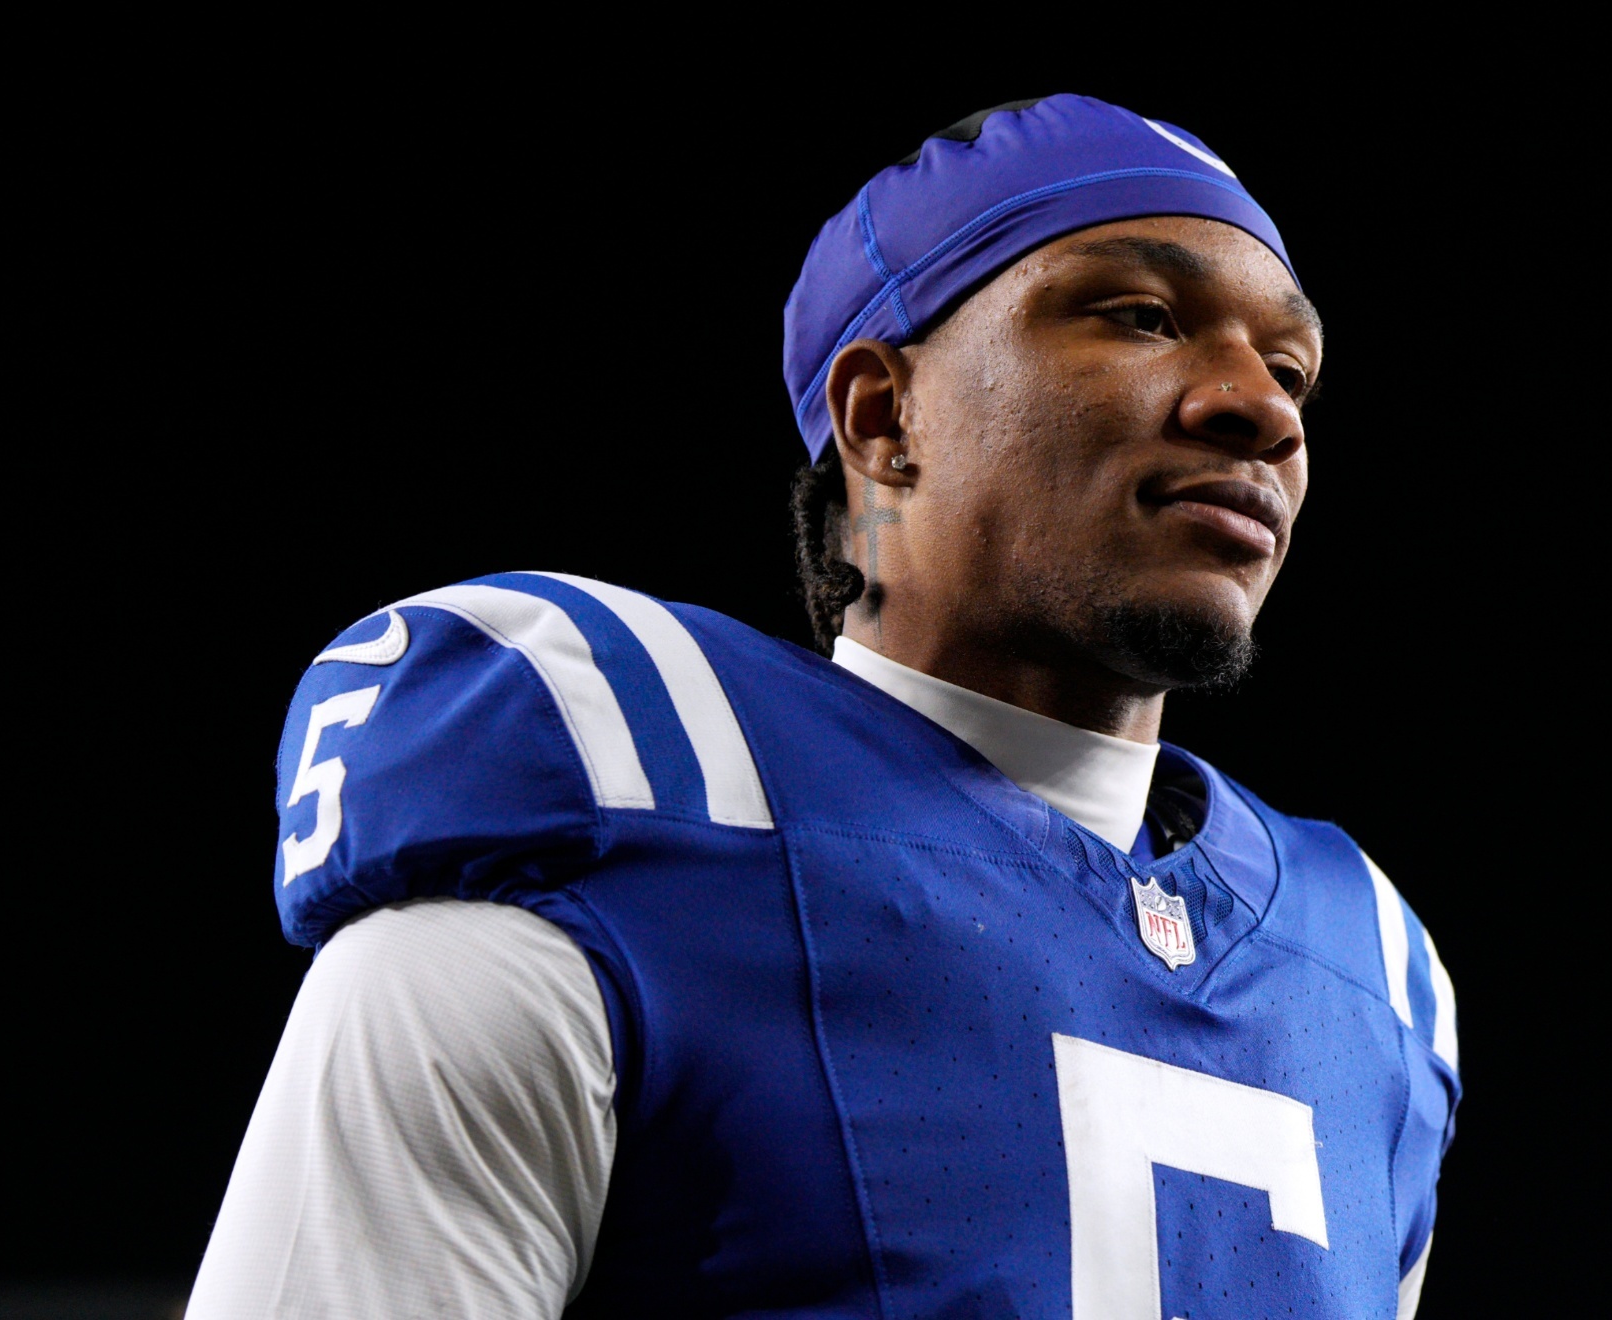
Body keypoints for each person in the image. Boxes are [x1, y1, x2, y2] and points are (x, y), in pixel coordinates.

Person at [188, 93, 1458, 1319]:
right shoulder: (630, 821)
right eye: (1138, 316)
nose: (1262, 409)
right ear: (881, 417)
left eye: (1291, 367)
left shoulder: (1371, 984)